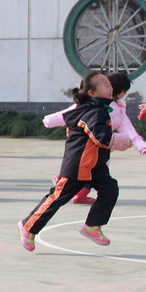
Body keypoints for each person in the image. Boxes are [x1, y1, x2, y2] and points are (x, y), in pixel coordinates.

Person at [19, 72, 116, 251]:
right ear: (92, 93)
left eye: (110, 84)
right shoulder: (92, 111)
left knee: (110, 189)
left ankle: (92, 226)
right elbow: (100, 137)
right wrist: (117, 140)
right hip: (79, 165)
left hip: (95, 166)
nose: (110, 88)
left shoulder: (98, 109)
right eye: (105, 85)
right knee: (57, 198)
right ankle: (28, 226)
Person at [43, 71, 146, 204]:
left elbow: (127, 128)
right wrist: (50, 120)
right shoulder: (92, 105)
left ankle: (79, 194)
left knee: (95, 174)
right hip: (86, 145)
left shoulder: (119, 108)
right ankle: (64, 183)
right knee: (88, 172)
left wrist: (139, 144)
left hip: (101, 147)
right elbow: (68, 114)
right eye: (125, 91)